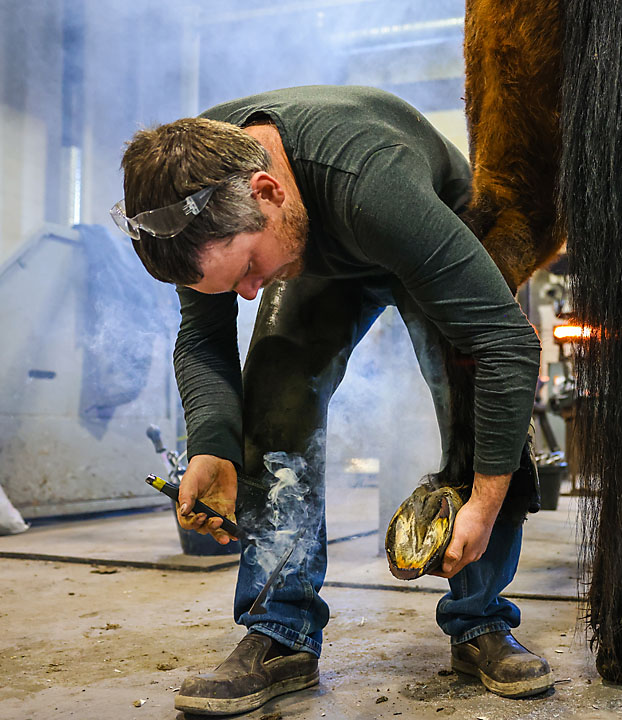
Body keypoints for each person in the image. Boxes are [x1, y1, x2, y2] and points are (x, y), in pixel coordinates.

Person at [112, 86, 551, 715]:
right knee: (274, 394)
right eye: (227, 281)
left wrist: (482, 501)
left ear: (267, 191)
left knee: (471, 391)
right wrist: (212, 445)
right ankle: (281, 631)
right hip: (313, 244)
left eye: (246, 272)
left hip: (424, 226)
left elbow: (506, 346)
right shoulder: (192, 188)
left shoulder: (371, 181)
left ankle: (480, 620)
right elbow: (203, 340)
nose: (244, 293)